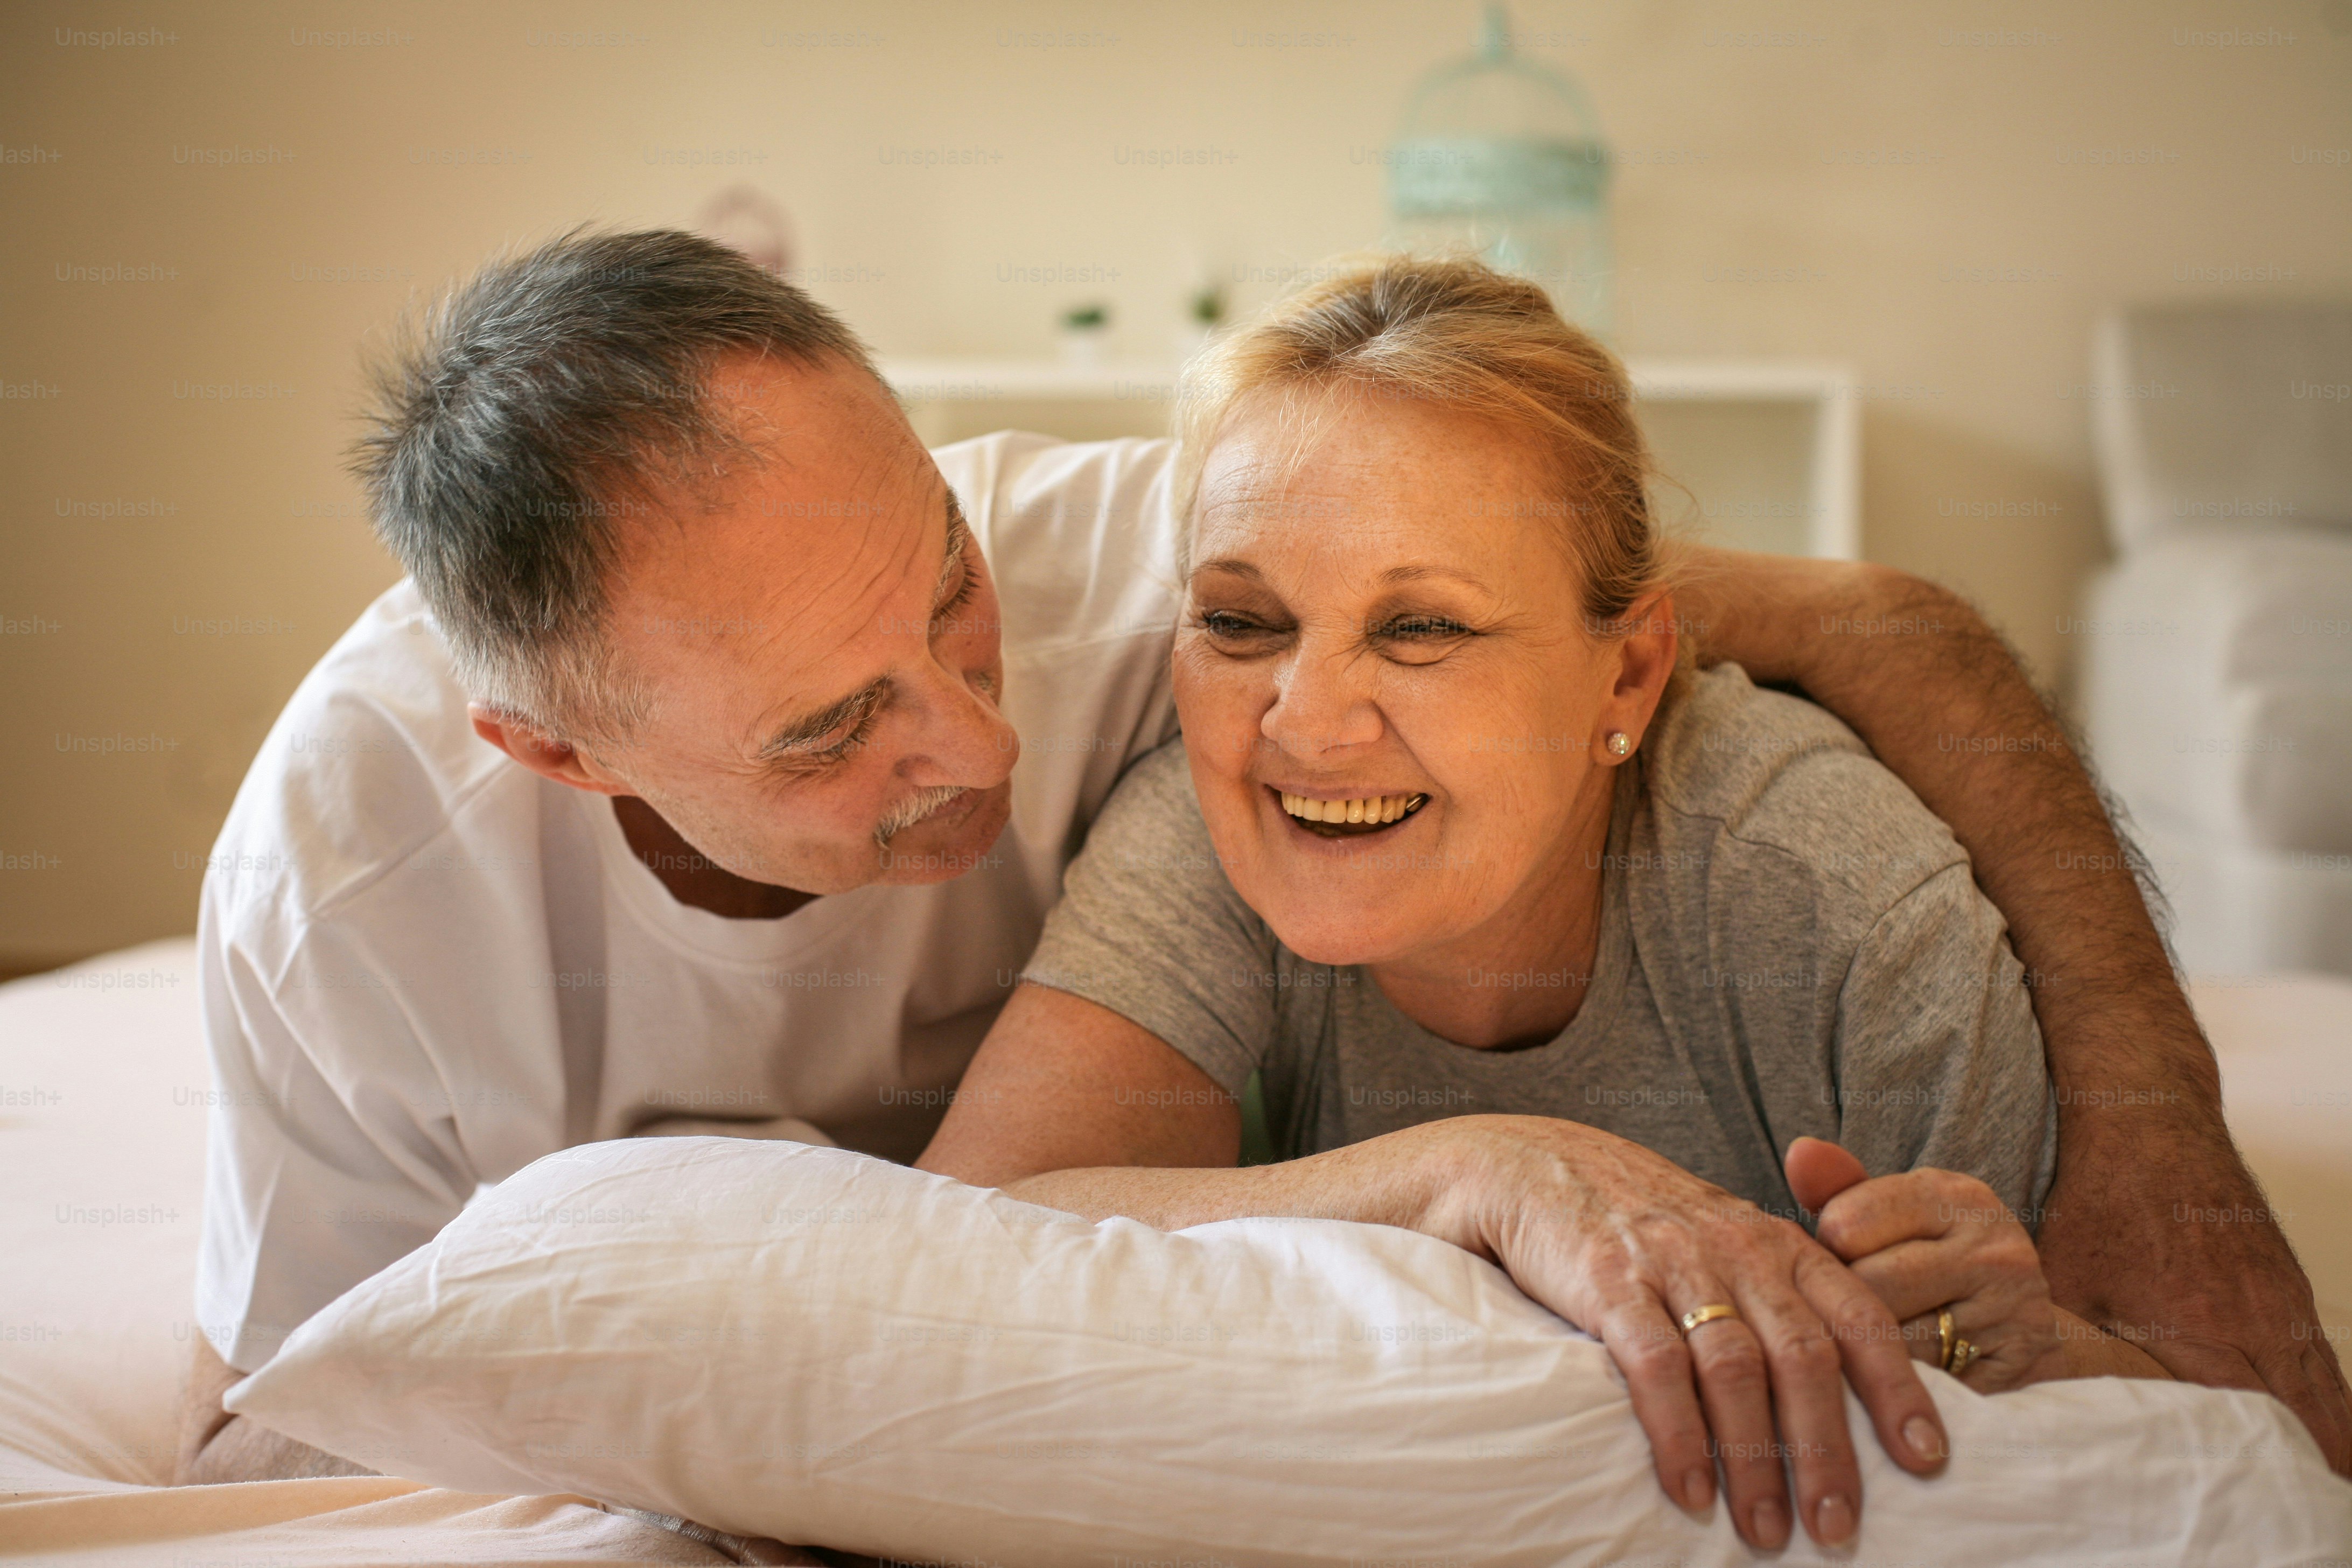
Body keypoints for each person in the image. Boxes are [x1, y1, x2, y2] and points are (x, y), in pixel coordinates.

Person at [178, 230, 2347, 1504]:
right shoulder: (348, 904)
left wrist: (2170, 1164)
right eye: (835, 731)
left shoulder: (1196, 565)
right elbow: (302, 1432)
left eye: (946, 594)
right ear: (549, 749)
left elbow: (1884, 621)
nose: (980, 739)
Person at [917, 256, 2347, 1549]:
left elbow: (2178, 1409)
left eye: (1420, 629)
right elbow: (971, 1237)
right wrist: (1466, 1172)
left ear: (1629, 675)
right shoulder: (1211, 816)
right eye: (1241, 621)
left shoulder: (1827, 890)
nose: (1304, 720)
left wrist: (2041, 1347)